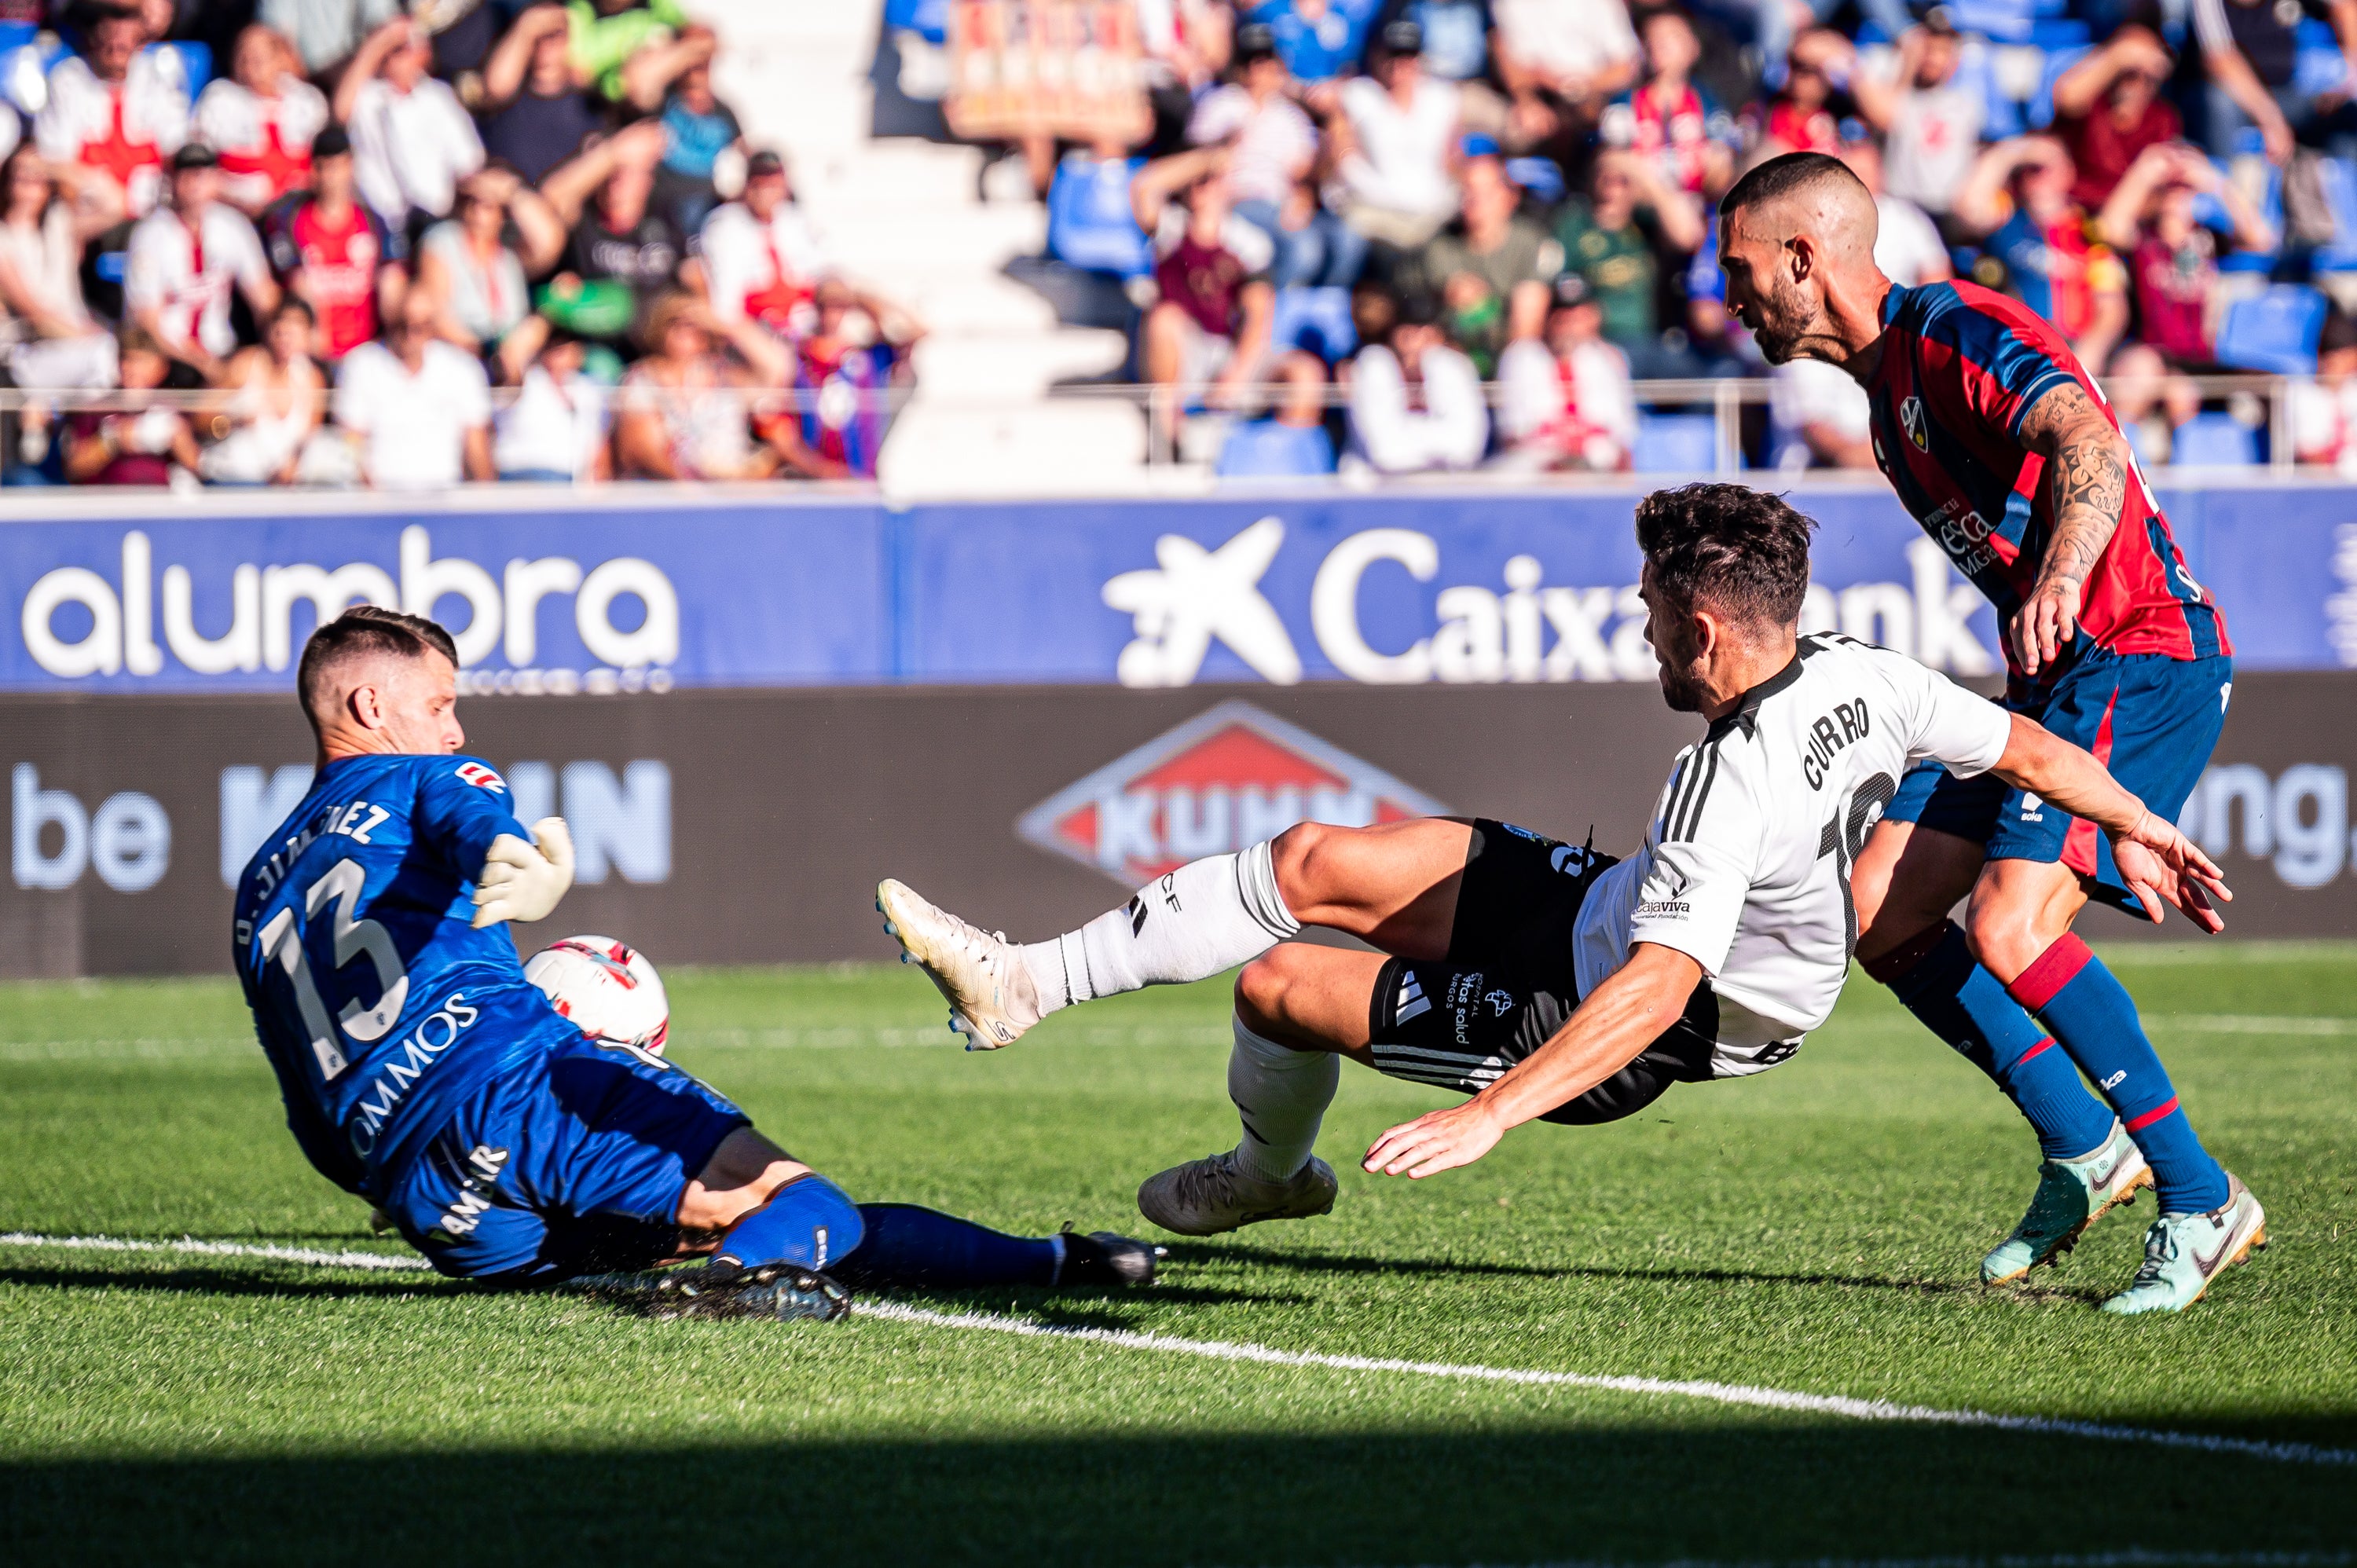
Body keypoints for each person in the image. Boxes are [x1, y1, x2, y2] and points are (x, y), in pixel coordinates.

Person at [874, 486, 2232, 1288]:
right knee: (1311, 862)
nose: (1641, 629)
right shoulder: (1857, 668)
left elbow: (1659, 985)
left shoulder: (1728, 784)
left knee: (1280, 987)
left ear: (1703, 631)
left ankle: (1268, 1173)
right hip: (1617, 911)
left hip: (1646, 1023)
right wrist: (2148, 828)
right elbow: (2033, 744)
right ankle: (1023, 983)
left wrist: (1500, 1115)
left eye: (1648, 612)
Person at [236, 604, 1158, 1297]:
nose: (456, 728)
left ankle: (1053, 1260)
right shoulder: (426, 774)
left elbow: (309, 1117)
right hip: (512, 1091)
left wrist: (393, 1177)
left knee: (762, 1225)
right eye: (440, 704)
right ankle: (708, 1303)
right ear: (369, 702)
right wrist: (520, 860)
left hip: (437, 1205)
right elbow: (474, 809)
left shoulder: (257, 886)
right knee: (809, 1208)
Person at [1715, 151, 2260, 1314]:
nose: (1729, 297)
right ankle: (2084, 1145)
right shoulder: (1883, 404)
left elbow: (2087, 438)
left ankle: (2202, 1198)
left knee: (2011, 925)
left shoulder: (1950, 327)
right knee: (1884, 907)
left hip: (2141, 649)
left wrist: (2063, 571)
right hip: (2055, 682)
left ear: (1805, 258)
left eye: (1741, 269)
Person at [1186, 25, 1353, 290]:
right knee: (1303, 250)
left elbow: (1304, 173)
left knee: (1346, 240)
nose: (1257, 70)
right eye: (1250, 62)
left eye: (1264, 61)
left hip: (1281, 200)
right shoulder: (1220, 104)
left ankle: (1315, 313)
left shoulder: (1290, 116)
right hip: (1240, 198)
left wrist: (1305, 195)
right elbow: (1193, 163)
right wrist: (1224, 146)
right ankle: (1268, 317)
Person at [1953, 137, 2128, 376]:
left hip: (2077, 351)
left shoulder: (2089, 232)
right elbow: (1968, 207)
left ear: (2070, 172)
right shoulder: (2007, 219)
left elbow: (2112, 306)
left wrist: (2088, 353)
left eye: (2051, 166)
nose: (2041, 174)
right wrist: (2014, 152)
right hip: (2017, 349)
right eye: (2032, 169)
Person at [2096, 142, 2274, 370]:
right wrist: (2144, 171)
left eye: (2185, 188)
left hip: (2201, 357)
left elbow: (2261, 240)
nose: (2176, 194)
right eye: (2169, 187)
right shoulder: (2144, 237)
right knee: (2148, 373)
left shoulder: (2208, 236)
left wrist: (2218, 183)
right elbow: (2109, 227)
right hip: (2153, 353)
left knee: (2262, 383)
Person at [124, 143, 280, 383]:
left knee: (262, 370)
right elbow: (147, 320)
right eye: (186, 174)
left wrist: (279, 338)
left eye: (202, 174)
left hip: (222, 350)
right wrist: (203, 363)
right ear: (172, 180)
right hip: (171, 357)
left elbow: (263, 296)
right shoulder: (151, 234)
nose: (194, 182)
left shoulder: (232, 226)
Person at [1402, 141, 1560, 372]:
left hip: (1508, 359)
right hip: (1452, 358)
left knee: (1526, 357)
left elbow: (1526, 328)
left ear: (1510, 197)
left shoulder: (1530, 244)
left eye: (1486, 192)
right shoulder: (1441, 246)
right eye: (1468, 191)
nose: (1475, 200)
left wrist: (1485, 306)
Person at [541, 119, 687, 363]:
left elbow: (690, 280)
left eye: (628, 172)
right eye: (611, 172)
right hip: (595, 349)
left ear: (648, 180)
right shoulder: (585, 220)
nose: (617, 181)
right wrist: (613, 152)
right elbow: (551, 198)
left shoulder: (665, 220)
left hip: (657, 349)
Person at [1552, 149, 1706, 376]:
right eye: (1605, 177)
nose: (1613, 188)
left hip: (1650, 342)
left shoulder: (1645, 223)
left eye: (1623, 180)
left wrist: (1644, 175)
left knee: (1705, 381)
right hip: (1596, 345)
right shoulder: (1574, 225)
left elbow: (1688, 237)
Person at [612, 289, 790, 481]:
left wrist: (725, 325)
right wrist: (693, 485)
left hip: (730, 489)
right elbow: (641, 449)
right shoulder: (643, 378)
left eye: (694, 324)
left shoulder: (725, 375)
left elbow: (777, 367)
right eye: (675, 322)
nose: (686, 329)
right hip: (670, 492)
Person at [262, 125, 402, 363]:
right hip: (316, 353)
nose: (330, 177)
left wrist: (393, 341)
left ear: (351, 167)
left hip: (370, 351)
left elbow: (392, 285)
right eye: (323, 167)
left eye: (337, 167)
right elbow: (298, 286)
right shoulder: (290, 222)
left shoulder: (374, 223)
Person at [33, 4, 189, 217]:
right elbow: (55, 162)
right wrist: (114, 199)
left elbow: (176, 150)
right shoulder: (68, 80)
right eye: (109, 31)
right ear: (94, 36)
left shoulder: (156, 79)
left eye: (124, 38)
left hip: (154, 208)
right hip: (91, 210)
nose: (117, 42)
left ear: (138, 38)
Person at [416, 165, 567, 383]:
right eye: (472, 203)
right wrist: (487, 352)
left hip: (513, 353)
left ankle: (511, 380)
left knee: (542, 321)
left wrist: (512, 192)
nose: (478, 213)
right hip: (463, 356)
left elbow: (549, 242)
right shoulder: (442, 241)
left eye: (487, 206)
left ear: (501, 213)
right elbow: (438, 314)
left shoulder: (508, 256)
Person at [335, 17, 486, 234]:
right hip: (380, 223)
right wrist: (377, 45)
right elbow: (341, 111)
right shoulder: (367, 96)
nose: (391, 56)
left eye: (399, 48)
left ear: (423, 54)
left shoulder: (439, 97)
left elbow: (469, 161)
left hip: (436, 219)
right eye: (387, 50)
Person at [331, 291, 495, 488]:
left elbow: (476, 445)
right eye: (403, 324)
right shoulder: (361, 364)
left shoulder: (462, 368)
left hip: (444, 494)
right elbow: (351, 441)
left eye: (419, 327)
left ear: (433, 327)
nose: (410, 334)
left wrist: (485, 498)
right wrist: (367, 497)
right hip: (380, 496)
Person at [0, 144, 124, 394]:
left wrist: (55, 168)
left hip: (73, 342)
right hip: (28, 352)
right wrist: (83, 335)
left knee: (118, 359)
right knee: (104, 356)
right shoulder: (4, 237)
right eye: (21, 177)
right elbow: (33, 312)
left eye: (37, 179)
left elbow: (117, 205)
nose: (28, 186)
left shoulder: (59, 222)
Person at [1332, 18, 1461, 255]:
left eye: (1407, 55)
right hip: (1375, 213)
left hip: (1429, 213)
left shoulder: (1442, 99)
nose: (1398, 64)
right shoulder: (1358, 95)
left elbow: (1451, 157)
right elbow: (1340, 153)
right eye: (1392, 55)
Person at [1843, 16, 1982, 226]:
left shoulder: (1966, 103)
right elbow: (1887, 116)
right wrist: (1907, 65)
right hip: (1900, 205)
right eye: (1928, 49)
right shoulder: (1898, 94)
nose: (1933, 59)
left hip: (1948, 210)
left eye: (1942, 51)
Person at [1496, 269, 1635, 471]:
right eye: (1562, 318)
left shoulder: (1608, 358)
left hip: (1596, 463)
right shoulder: (1521, 356)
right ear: (1548, 318)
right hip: (1538, 464)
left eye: (1577, 318)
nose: (1569, 327)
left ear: (1592, 317)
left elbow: (1622, 433)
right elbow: (1512, 433)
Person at [196, 293, 337, 485]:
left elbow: (310, 437)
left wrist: (292, 467)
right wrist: (230, 421)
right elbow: (198, 419)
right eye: (280, 328)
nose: (285, 337)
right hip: (236, 477)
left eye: (294, 330)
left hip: (288, 486)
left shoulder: (312, 378)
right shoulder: (243, 366)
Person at [1597, 8, 1737, 200]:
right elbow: (1612, 164)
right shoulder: (1624, 104)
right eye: (1651, 37)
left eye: (1671, 36)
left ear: (1693, 48)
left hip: (1695, 204)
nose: (1659, 44)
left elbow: (1722, 165)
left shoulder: (1707, 102)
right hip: (1640, 206)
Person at [1344, 289, 1488, 471]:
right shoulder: (1374, 365)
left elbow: (1467, 448)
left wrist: (1407, 437)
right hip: (1375, 490)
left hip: (1446, 487)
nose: (1416, 342)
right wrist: (1441, 441)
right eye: (1408, 333)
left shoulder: (1450, 365)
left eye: (1426, 334)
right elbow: (1384, 453)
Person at [192, 24, 327, 215]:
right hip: (237, 212)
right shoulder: (220, 100)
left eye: (260, 53)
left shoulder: (307, 101)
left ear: (280, 57)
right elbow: (198, 166)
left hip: (301, 213)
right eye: (243, 53)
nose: (251, 61)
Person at [2049, 25, 2183, 211]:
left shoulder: (2161, 118)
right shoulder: (2092, 104)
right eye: (2128, 72)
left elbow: (2160, 194)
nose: (2137, 82)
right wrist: (2120, 55)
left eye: (2147, 74)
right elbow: (2067, 98)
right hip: (2074, 211)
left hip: (2126, 221)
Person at [698, 148, 829, 335]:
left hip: (805, 326)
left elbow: (823, 273)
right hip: (757, 330)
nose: (764, 193)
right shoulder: (725, 225)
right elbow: (726, 303)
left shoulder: (797, 220)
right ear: (746, 187)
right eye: (757, 185)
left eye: (772, 185)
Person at [478, 3, 604, 185]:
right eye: (540, 36)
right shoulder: (513, 85)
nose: (546, 44)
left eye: (556, 35)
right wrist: (527, 24)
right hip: (491, 192)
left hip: (537, 203)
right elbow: (495, 88)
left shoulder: (589, 104)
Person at [64, 324, 201, 483]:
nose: (131, 368)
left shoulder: (176, 407)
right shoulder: (98, 407)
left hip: (160, 501)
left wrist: (179, 441)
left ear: (162, 368)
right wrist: (114, 441)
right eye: (126, 359)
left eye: (141, 361)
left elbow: (198, 467)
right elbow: (73, 469)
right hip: (108, 500)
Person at [494, 328, 610, 482]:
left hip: (571, 480)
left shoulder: (587, 390)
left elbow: (598, 445)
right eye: (554, 347)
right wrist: (548, 315)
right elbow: (511, 357)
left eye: (568, 346)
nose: (561, 353)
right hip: (521, 475)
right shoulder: (527, 379)